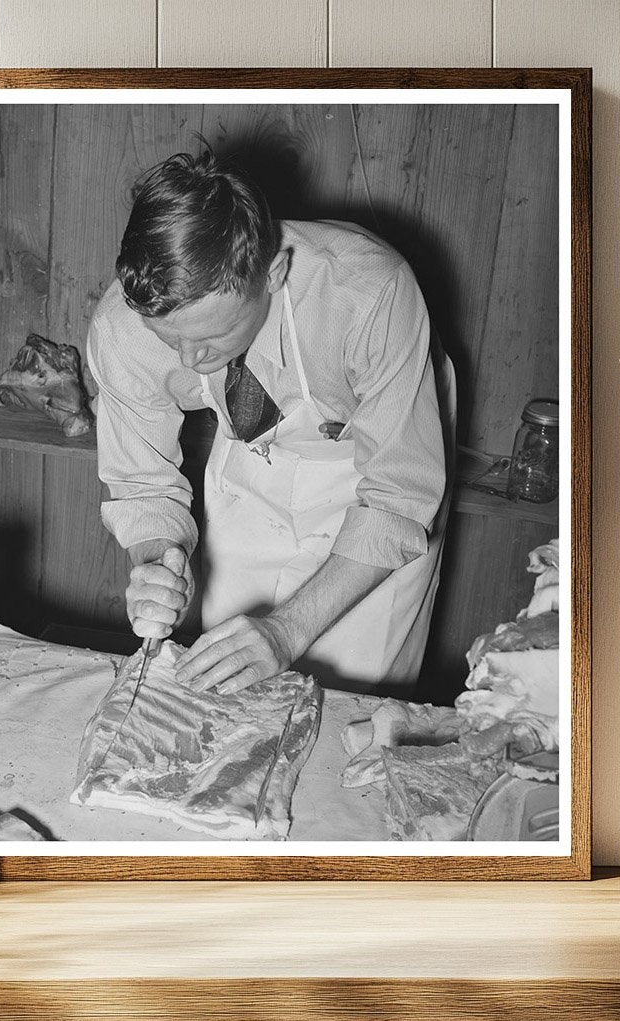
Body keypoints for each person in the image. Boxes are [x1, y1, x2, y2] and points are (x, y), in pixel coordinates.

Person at [85, 150, 455, 697]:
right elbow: (143, 484)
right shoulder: (125, 327)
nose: (187, 361)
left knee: (352, 696)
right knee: (229, 680)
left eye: (210, 338)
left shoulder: (370, 295)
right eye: (171, 339)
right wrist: (158, 561)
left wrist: (286, 631)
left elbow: (398, 500)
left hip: (373, 469)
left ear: (274, 271)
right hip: (250, 454)